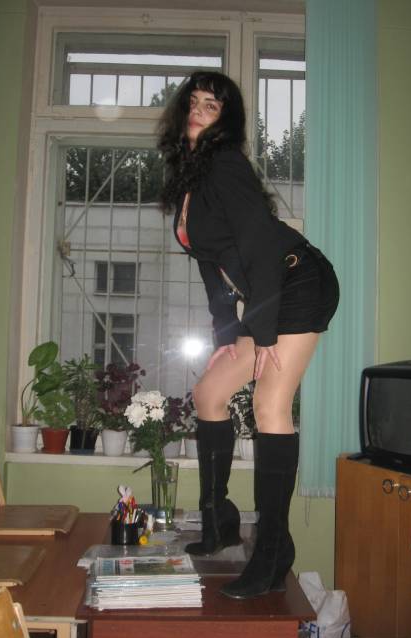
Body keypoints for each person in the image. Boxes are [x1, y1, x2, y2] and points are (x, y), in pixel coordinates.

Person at [157, 71, 339, 599]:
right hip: (266, 291)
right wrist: (227, 333)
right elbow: (210, 263)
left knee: (269, 405)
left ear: (225, 120)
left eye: (211, 105)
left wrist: (260, 331)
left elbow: (258, 242)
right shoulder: (191, 178)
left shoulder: (225, 163)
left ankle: (274, 550)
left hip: (296, 281)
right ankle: (219, 520)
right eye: (193, 102)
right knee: (208, 393)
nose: (198, 110)